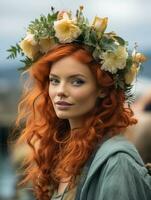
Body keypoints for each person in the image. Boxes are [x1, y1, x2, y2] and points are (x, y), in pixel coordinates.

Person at [8, 6, 151, 200]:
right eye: (54, 80)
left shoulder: (117, 162)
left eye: (77, 81)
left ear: (102, 88)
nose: (60, 91)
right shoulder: (62, 151)